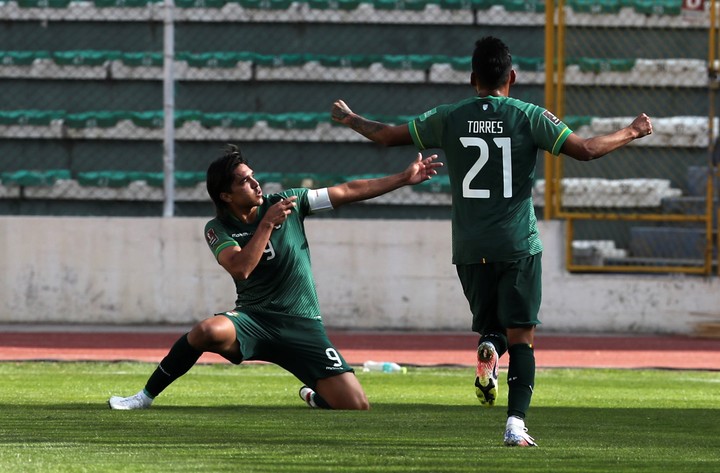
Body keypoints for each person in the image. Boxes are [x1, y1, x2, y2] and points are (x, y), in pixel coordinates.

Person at [331, 36, 653, 445]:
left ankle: (487, 344)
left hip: (469, 248)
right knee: (522, 336)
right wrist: (632, 130)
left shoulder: (448, 117)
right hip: (517, 243)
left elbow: (386, 136)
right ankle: (515, 424)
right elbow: (586, 150)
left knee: (492, 328)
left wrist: (350, 117)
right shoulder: (529, 115)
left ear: (472, 79)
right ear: (512, 77)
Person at [108, 144, 442, 411]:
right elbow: (240, 268)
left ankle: (315, 396)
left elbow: (348, 190)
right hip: (254, 319)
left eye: (252, 176)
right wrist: (266, 224)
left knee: (355, 405)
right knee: (206, 331)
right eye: (244, 180)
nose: (255, 183)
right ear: (225, 195)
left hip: (302, 324)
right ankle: (144, 396)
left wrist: (402, 178)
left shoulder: (289, 202)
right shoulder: (218, 228)